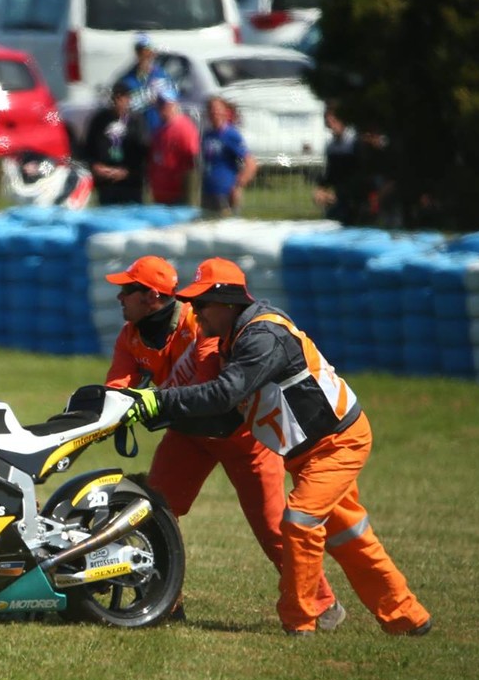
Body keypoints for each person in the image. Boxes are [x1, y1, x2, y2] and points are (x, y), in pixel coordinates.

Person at [125, 258, 433, 637]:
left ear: (227, 303)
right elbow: (225, 418)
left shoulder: (261, 337)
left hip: (337, 443)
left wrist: (160, 402)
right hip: (307, 452)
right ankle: (407, 616)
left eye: (202, 303)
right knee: (350, 535)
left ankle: (299, 622)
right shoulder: (232, 339)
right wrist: (157, 412)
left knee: (300, 520)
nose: (194, 310)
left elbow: (226, 394)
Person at [104, 255, 338, 624]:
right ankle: (166, 602)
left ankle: (321, 602)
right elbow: (117, 386)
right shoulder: (130, 335)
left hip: (242, 437)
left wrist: (152, 405)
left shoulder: (200, 325)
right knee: (154, 513)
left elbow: (208, 391)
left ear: (149, 296)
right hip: (187, 435)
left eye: (126, 291)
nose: (118, 298)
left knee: (273, 529)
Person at [83, 79, 147, 206]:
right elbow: (88, 149)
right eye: (115, 97)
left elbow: (143, 152)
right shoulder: (100, 120)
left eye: (122, 97)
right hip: (106, 184)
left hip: (130, 185)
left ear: (128, 99)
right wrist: (95, 166)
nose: (118, 101)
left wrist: (127, 172)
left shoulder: (137, 121)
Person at [312, 106, 368, 225]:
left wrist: (340, 193)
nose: (331, 125)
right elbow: (331, 173)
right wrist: (321, 189)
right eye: (328, 121)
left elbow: (362, 173)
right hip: (341, 195)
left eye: (334, 120)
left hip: (358, 196)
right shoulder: (331, 146)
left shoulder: (355, 142)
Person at [200, 96, 256, 216]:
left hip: (225, 193)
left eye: (217, 109)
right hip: (208, 192)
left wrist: (238, 186)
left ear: (225, 111)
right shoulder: (207, 135)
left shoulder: (231, 135)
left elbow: (250, 164)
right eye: (211, 109)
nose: (214, 112)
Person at [145, 84, 198, 207]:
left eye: (166, 103)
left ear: (175, 104)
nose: (163, 107)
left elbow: (191, 162)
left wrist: (187, 195)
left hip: (177, 195)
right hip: (160, 193)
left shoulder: (184, 127)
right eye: (160, 104)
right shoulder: (159, 130)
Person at [115, 34, 171, 139]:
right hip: (136, 136)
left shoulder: (162, 76)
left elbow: (171, 103)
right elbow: (121, 108)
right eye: (140, 51)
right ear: (136, 53)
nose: (144, 55)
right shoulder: (127, 80)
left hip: (160, 133)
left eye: (147, 50)